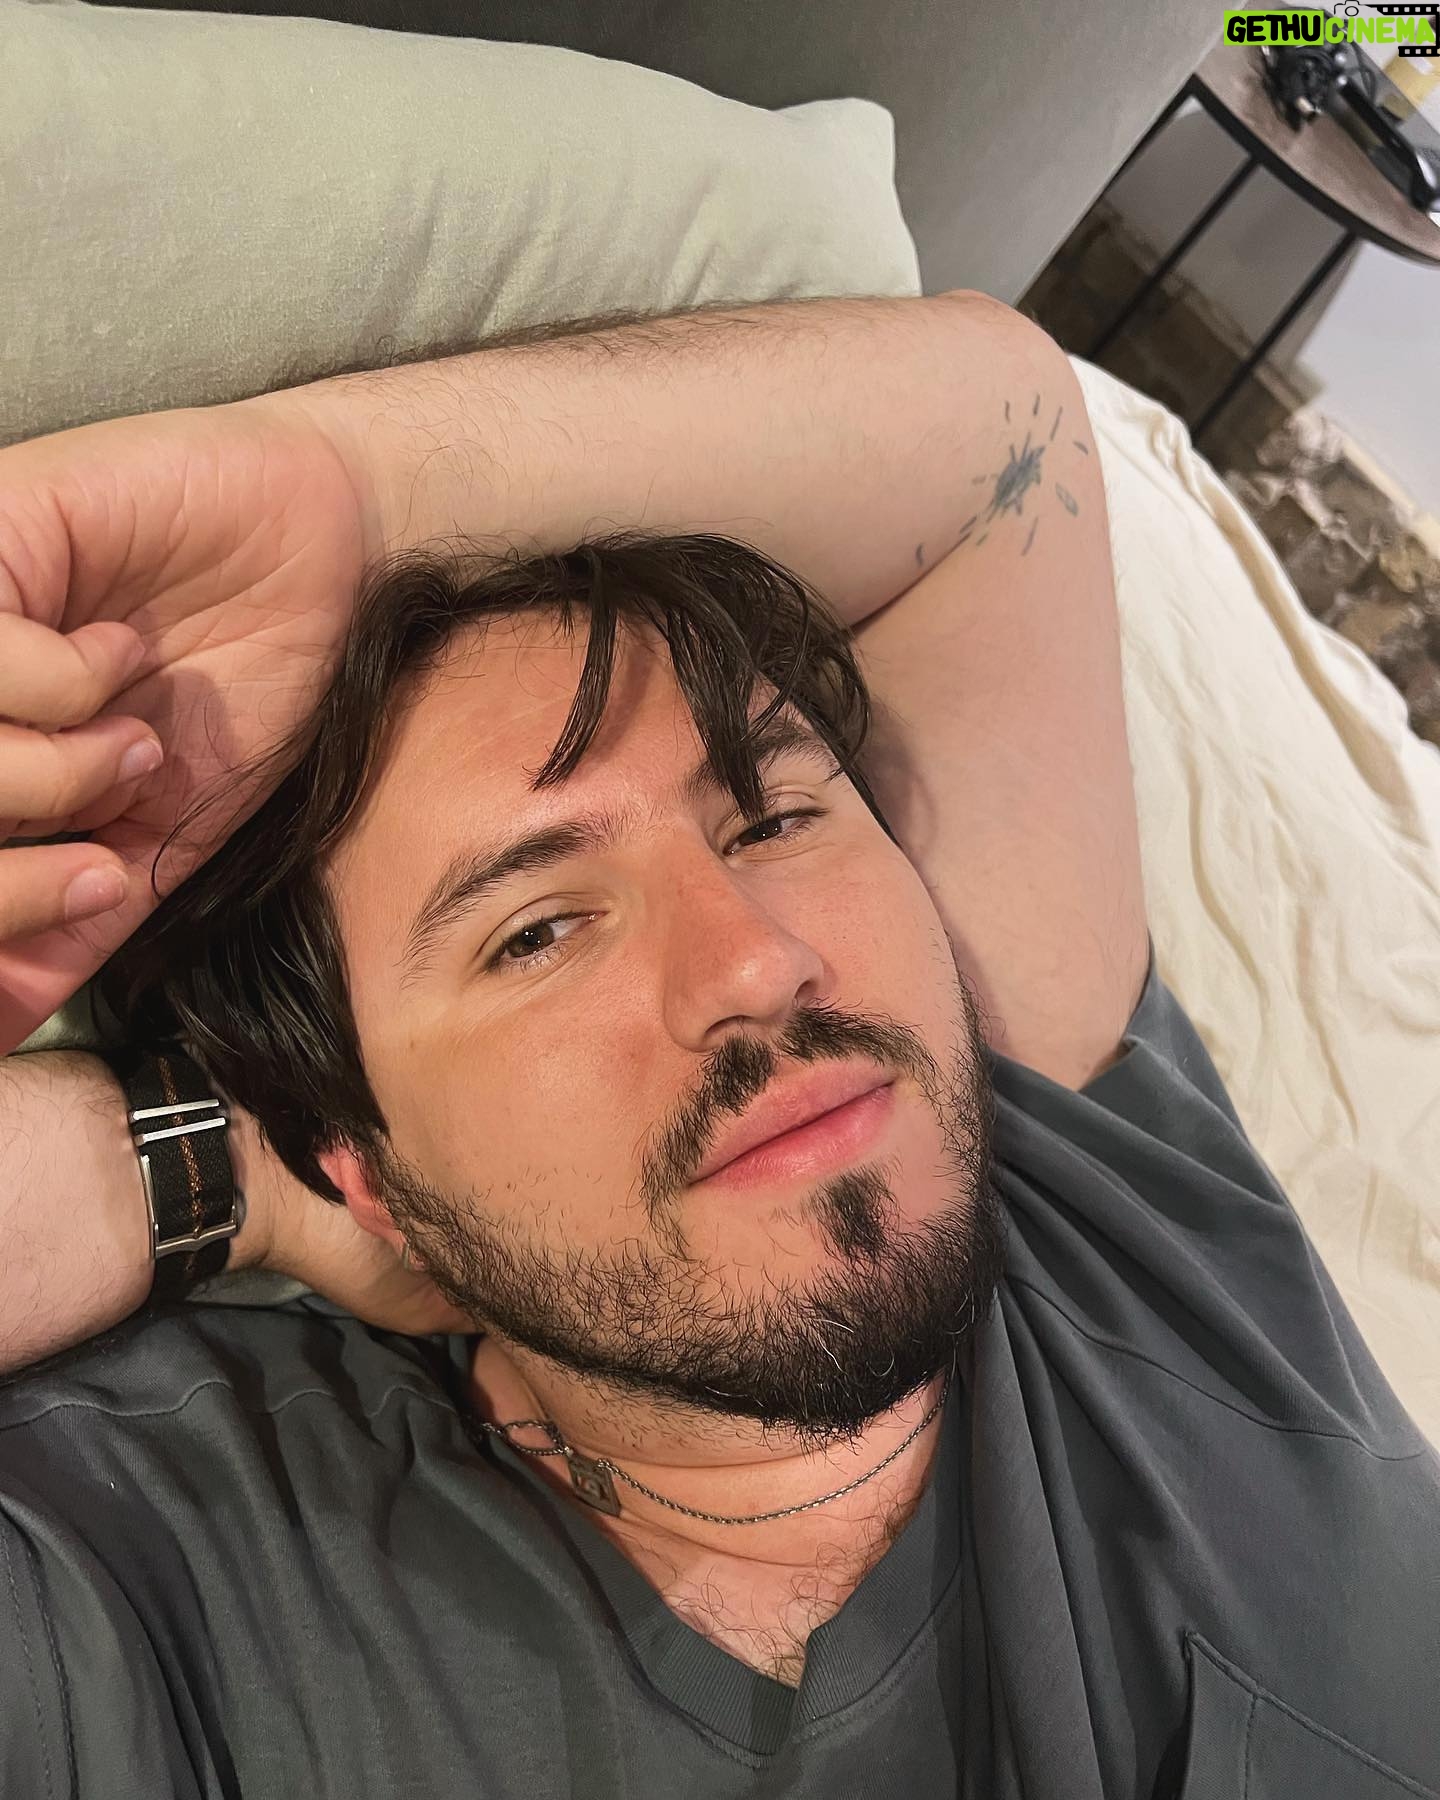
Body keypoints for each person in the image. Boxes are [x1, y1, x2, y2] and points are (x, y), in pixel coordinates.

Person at [0, 290, 1435, 1800]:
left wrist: (344, 500)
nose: (759, 959)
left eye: (772, 818)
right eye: (538, 932)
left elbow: (998, 442)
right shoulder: (169, 1580)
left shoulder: (1095, 1182)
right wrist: (209, 1159)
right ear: (356, 1163)